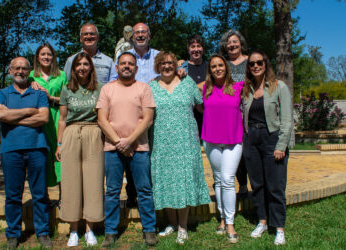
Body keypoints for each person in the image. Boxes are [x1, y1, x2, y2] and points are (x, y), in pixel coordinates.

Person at [149, 51, 211, 244]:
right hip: (161, 143)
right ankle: (172, 223)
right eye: (162, 63)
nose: (167, 66)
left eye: (170, 63)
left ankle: (183, 226)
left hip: (185, 141)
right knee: (165, 180)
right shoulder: (151, 87)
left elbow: (202, 106)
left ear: (176, 65)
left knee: (183, 181)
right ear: (157, 66)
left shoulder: (188, 83)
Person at [97, 52, 158, 247]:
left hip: (139, 147)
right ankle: (110, 231)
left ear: (136, 68)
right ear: (116, 68)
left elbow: (148, 119)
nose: (126, 66)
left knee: (145, 190)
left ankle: (149, 229)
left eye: (130, 64)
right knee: (113, 191)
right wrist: (119, 142)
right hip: (112, 148)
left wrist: (129, 141)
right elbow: (101, 120)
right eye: (123, 63)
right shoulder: (107, 89)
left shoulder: (144, 88)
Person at [0, 57, 52, 249]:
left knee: (39, 193)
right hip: (11, 150)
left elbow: (43, 117)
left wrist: (13, 118)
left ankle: (43, 232)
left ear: (29, 71)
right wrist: (29, 111)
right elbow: (0, 115)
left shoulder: (39, 93)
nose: (20, 71)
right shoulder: (2, 93)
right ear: (10, 70)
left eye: (24, 68)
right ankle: (13, 233)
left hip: (37, 147)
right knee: (12, 194)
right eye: (16, 68)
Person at [242, 51, 292, 245]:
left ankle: (279, 227)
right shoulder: (246, 90)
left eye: (259, 62)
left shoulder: (279, 87)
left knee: (275, 185)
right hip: (251, 139)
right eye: (252, 63)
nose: (255, 66)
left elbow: (287, 120)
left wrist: (281, 145)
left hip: (272, 138)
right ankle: (262, 221)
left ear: (265, 64)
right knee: (257, 184)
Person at [55, 52, 104, 247]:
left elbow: (103, 115)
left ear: (91, 67)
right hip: (71, 134)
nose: (82, 67)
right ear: (73, 68)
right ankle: (74, 229)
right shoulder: (67, 89)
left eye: (86, 64)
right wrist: (59, 143)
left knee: (93, 181)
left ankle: (89, 229)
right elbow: (62, 119)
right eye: (78, 65)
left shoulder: (100, 89)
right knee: (71, 182)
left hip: (93, 133)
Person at [202, 54, 244, 244]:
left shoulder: (239, 87)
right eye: (213, 66)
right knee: (218, 179)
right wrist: (180, 67)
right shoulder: (205, 88)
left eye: (220, 65)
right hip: (211, 140)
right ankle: (221, 218)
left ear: (226, 68)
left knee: (227, 179)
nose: (217, 68)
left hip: (233, 141)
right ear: (209, 70)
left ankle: (230, 223)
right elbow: (180, 83)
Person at [29, 42, 67, 190]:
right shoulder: (31, 76)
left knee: (60, 155)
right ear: (37, 57)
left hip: (58, 116)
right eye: (43, 54)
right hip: (39, 119)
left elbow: (68, 100)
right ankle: (43, 197)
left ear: (53, 57)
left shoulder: (62, 75)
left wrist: (50, 97)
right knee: (41, 156)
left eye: (49, 54)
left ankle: (63, 196)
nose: (46, 57)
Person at [219, 29, 249, 196]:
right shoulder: (223, 64)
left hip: (249, 110)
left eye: (235, 42)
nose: (232, 45)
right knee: (235, 149)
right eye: (228, 43)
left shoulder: (251, 61)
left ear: (241, 44)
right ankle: (242, 184)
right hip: (230, 113)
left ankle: (256, 185)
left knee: (249, 149)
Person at [178, 34, 208, 136]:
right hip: (188, 117)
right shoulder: (182, 67)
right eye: (192, 47)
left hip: (207, 114)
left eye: (198, 46)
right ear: (188, 50)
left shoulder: (210, 67)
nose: (196, 49)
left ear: (203, 49)